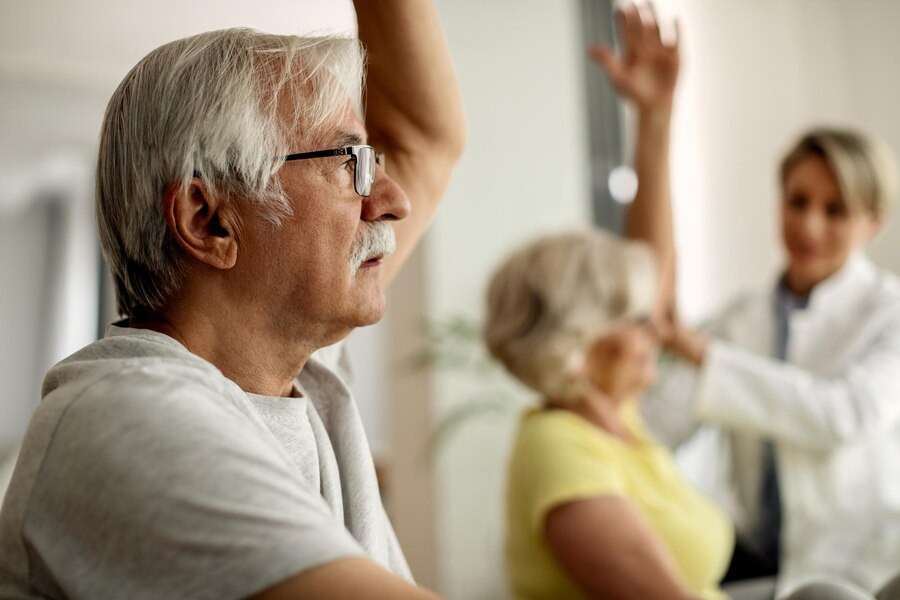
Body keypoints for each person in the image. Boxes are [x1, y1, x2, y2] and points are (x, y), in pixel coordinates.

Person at [0, 1, 464, 598]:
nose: (393, 200)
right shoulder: (128, 417)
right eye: (350, 161)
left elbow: (424, 140)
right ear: (209, 221)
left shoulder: (288, 373)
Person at [637, 26, 900, 600]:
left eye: (836, 210)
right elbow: (660, 425)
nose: (809, 225)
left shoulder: (891, 311)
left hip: (871, 566)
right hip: (761, 563)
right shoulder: (741, 316)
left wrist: (705, 354)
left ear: (873, 223)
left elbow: (843, 416)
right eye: (798, 201)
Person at [484, 7, 735, 599]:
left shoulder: (613, 417)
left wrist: (654, 117)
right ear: (574, 346)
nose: (657, 327)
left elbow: (652, 274)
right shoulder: (558, 449)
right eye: (633, 320)